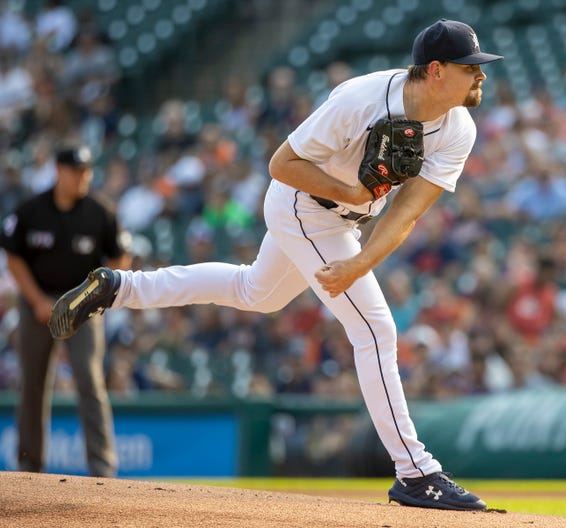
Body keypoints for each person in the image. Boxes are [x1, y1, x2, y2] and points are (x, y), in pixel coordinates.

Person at [49, 19, 502, 509]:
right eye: (469, 68)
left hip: (346, 221)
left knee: (254, 293)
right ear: (435, 70)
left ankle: (120, 287)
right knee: (375, 329)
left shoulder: (459, 126)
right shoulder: (360, 100)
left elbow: (409, 209)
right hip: (302, 205)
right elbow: (282, 165)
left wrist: (362, 260)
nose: (480, 77)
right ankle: (416, 471)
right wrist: (350, 194)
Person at [0, 144, 130, 477]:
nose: (83, 177)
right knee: (33, 383)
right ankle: (29, 465)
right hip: (37, 304)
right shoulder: (32, 210)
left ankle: (102, 468)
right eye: (77, 170)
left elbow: (119, 260)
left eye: (86, 170)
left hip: (82, 306)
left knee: (89, 379)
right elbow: (13, 257)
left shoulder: (100, 212)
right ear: (59, 171)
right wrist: (37, 300)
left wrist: (96, 297)